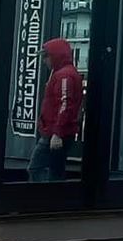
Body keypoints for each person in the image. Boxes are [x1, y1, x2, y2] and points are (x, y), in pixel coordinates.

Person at [28, 37, 83, 182]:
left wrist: (57, 133)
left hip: (55, 134)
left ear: (55, 56)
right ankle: (54, 199)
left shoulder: (63, 75)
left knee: (36, 167)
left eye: (46, 56)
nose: (44, 60)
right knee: (56, 170)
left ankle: (43, 200)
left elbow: (66, 105)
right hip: (58, 133)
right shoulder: (65, 73)